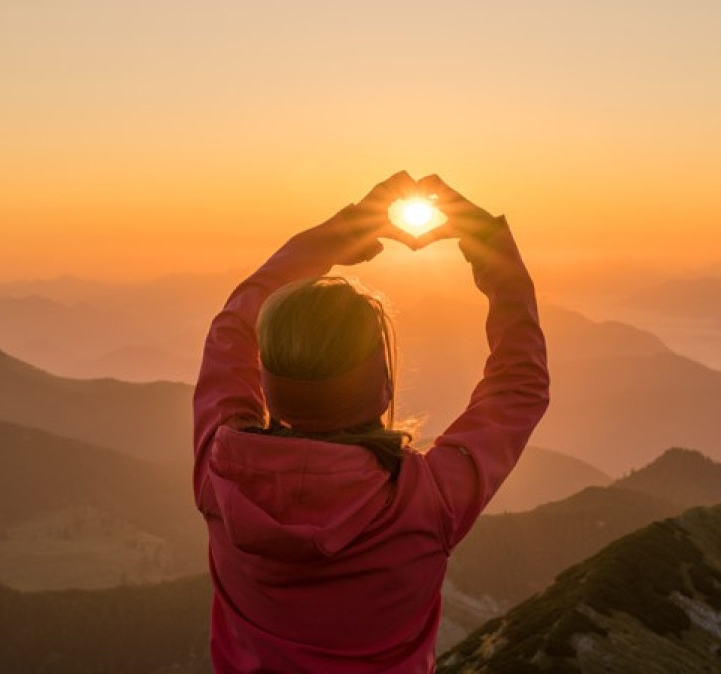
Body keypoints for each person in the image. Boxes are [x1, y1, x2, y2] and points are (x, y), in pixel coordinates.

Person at [192, 171, 550, 673]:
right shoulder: (427, 501)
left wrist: (340, 232)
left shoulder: (220, 471)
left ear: (269, 376)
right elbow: (519, 387)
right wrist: (493, 251)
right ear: (380, 385)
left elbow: (232, 326)